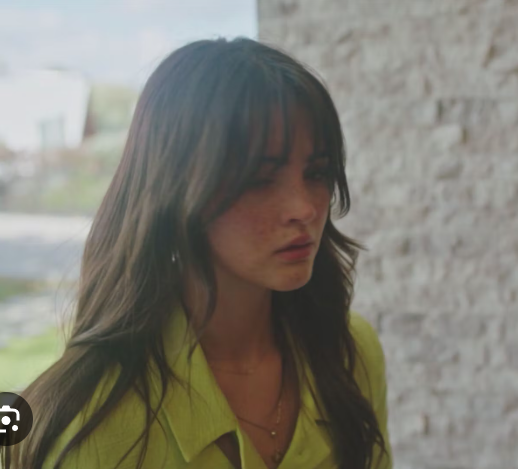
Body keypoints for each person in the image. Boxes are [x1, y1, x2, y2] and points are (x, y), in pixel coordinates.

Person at [2, 37, 392, 469]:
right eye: (260, 180)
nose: (305, 208)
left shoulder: (350, 351)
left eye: (317, 172)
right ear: (176, 189)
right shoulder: (86, 430)